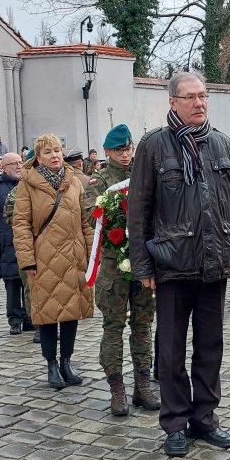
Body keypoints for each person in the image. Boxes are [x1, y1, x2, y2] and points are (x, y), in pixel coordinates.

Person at [127, 70, 230, 457]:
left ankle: (205, 419)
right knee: (172, 348)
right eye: (191, 97)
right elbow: (139, 210)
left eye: (203, 96)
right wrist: (143, 266)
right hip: (172, 263)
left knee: (211, 346)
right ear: (173, 103)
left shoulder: (223, 145)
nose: (199, 103)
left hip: (215, 262)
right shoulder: (154, 147)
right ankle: (175, 422)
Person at [84, 123, 159, 416]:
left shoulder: (144, 176)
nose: (126, 155)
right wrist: (117, 212)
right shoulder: (98, 181)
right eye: (120, 150)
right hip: (114, 267)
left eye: (129, 149)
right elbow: (93, 216)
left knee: (143, 325)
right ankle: (117, 389)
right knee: (113, 327)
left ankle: (143, 385)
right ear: (107, 152)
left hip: (142, 265)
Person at [13, 134, 93, 388]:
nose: (54, 155)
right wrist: (27, 261)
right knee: (47, 314)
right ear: (38, 157)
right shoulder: (27, 185)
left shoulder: (74, 183)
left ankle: (67, 362)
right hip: (43, 258)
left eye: (57, 150)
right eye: (48, 152)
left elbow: (86, 223)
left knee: (71, 312)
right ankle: (51, 365)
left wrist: (91, 256)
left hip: (73, 257)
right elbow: (21, 225)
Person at [0, 151, 32, 334]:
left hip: (27, 242)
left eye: (21, 162)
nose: (19, 166)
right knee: (12, 283)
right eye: (14, 164)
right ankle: (14, 319)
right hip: (7, 243)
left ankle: (29, 317)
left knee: (29, 281)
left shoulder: (29, 185)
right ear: (3, 168)